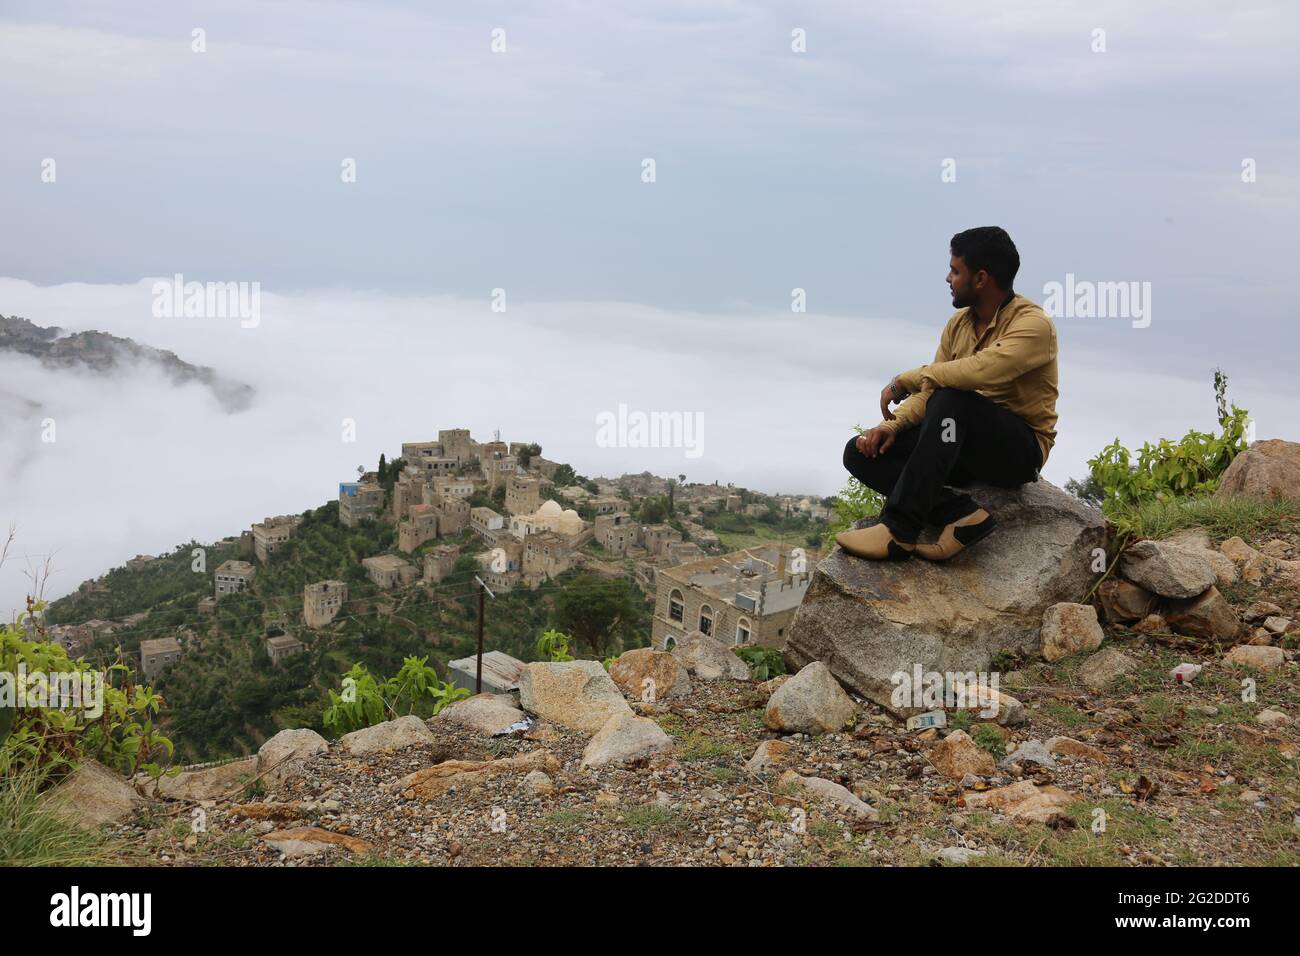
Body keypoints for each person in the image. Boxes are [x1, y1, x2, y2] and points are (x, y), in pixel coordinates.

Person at [837, 226, 1058, 562]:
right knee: (860, 452)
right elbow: (932, 391)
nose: (947, 278)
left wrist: (907, 379)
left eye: (955, 271)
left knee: (953, 397)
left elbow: (977, 372)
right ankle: (961, 515)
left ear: (981, 278)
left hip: (1016, 452)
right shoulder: (958, 324)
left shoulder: (1033, 325)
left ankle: (899, 531)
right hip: (958, 444)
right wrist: (893, 427)